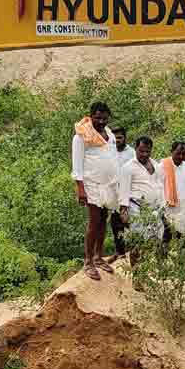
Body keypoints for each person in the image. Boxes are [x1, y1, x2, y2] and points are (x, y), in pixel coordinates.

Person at [72, 101, 120, 280]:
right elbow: (77, 164)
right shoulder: (81, 136)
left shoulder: (109, 134)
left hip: (109, 184)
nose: (101, 121)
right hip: (92, 184)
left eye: (104, 118)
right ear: (91, 116)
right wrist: (80, 189)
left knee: (103, 220)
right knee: (94, 221)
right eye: (98, 117)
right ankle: (88, 261)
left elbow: (112, 157)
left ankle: (98, 257)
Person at [117, 136, 164, 271]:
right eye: (141, 151)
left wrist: (163, 207)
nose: (144, 154)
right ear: (136, 149)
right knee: (137, 242)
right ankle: (137, 276)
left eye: (147, 151)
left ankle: (146, 270)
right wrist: (123, 211)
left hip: (154, 210)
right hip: (136, 209)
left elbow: (160, 186)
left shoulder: (156, 165)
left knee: (155, 239)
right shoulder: (128, 167)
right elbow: (123, 189)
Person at [160, 141, 185, 240]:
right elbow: (158, 188)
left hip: (183, 209)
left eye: (183, 154)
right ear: (171, 151)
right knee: (166, 236)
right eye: (178, 153)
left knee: (181, 237)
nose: (180, 157)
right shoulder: (162, 166)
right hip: (167, 208)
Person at [109, 127, 133, 259]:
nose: (117, 141)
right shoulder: (109, 150)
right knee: (115, 223)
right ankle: (120, 252)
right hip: (114, 192)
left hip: (128, 192)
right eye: (115, 138)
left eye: (119, 138)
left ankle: (135, 250)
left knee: (130, 222)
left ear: (125, 138)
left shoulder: (131, 153)